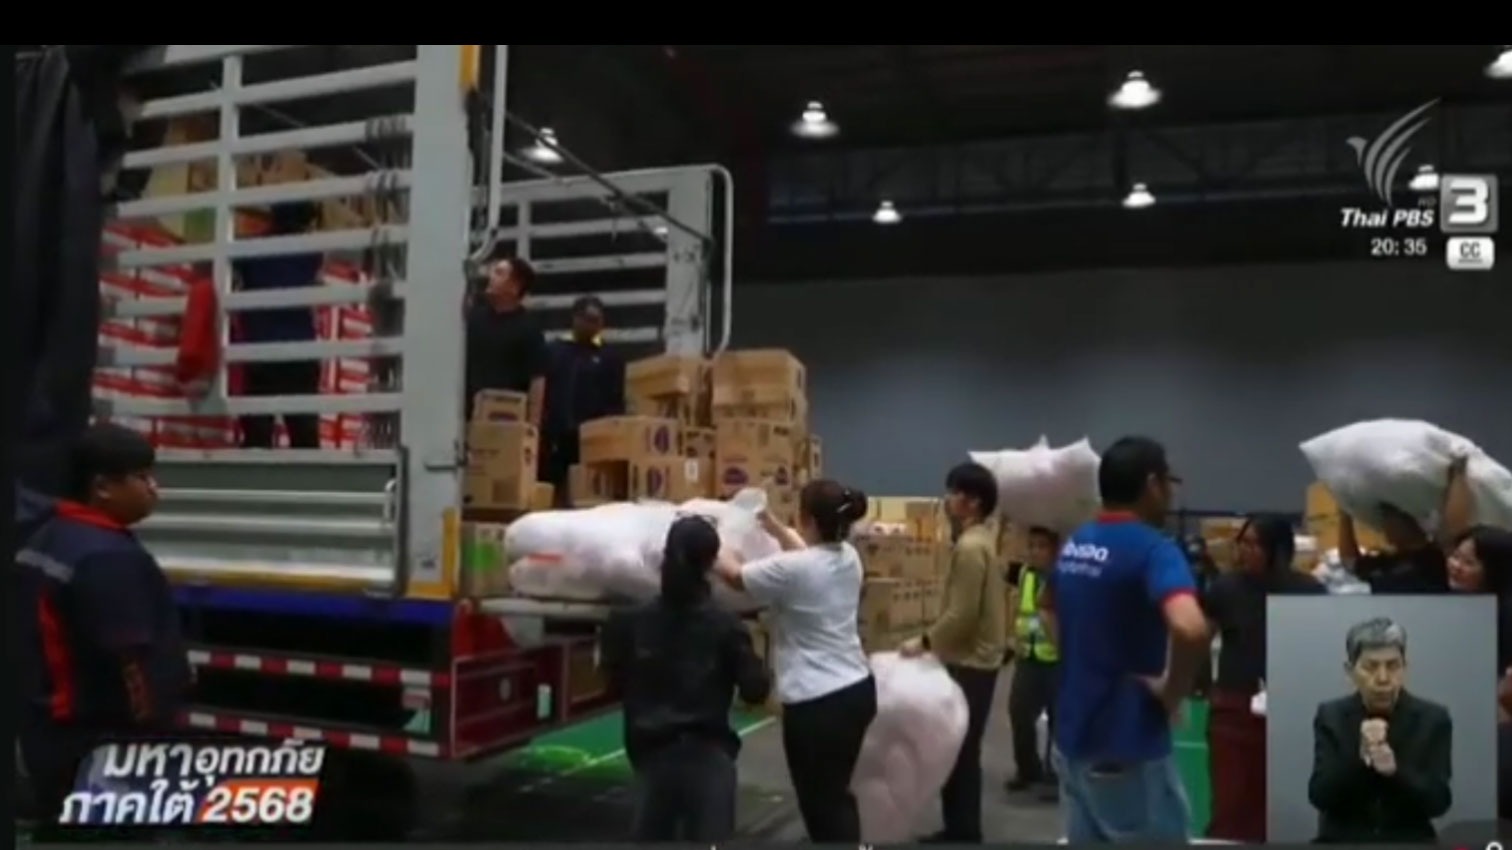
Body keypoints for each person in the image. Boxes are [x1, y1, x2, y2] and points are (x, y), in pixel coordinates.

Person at [13, 423, 193, 831]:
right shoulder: (107, 557)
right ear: (103, 487)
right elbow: (131, 665)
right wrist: (153, 738)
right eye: (142, 478)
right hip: (98, 743)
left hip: (48, 734)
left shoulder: (45, 538)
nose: (154, 490)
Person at [1038, 436, 1209, 843]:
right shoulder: (1154, 550)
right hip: (1127, 744)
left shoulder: (1078, 543)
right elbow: (1190, 627)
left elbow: (1046, 606)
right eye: (1169, 481)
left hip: (1073, 737)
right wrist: (1172, 691)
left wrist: (1080, 658)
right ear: (1152, 484)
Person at [712, 480, 876, 842]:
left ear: (807, 519)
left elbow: (735, 577)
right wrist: (771, 525)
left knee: (821, 803)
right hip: (857, 690)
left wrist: (716, 538)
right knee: (836, 793)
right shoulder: (848, 557)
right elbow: (803, 552)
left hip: (817, 703)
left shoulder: (794, 569)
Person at [598, 515, 771, 841]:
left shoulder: (628, 622)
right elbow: (755, 690)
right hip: (709, 758)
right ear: (710, 564)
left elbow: (612, 682)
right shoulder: (725, 625)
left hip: (651, 755)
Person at [898, 461, 1006, 841]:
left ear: (972, 501)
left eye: (954, 492)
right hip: (979, 658)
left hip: (970, 662)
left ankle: (962, 831)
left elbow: (962, 613)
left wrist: (924, 642)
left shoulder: (971, 547)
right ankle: (961, 827)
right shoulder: (982, 541)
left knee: (958, 749)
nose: (948, 499)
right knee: (962, 749)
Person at [1200, 514, 1325, 842]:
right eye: (1242, 543)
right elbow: (1201, 637)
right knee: (1232, 797)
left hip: (1289, 706)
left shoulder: (1309, 591)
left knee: (1283, 800)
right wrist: (1201, 684)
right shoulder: (1225, 588)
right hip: (1234, 705)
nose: (1245, 551)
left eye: (1254, 544)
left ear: (1278, 549)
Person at [1307, 617, 1452, 843]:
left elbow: (1439, 802)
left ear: (1405, 668)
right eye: (1370, 667)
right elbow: (1319, 795)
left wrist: (1396, 771)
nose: (1383, 678)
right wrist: (1360, 757)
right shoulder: (1331, 716)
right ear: (1350, 671)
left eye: (1393, 666)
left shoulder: (1432, 719)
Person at [234, 201, 324, 449]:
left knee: (257, 433)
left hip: (261, 349)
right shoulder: (311, 253)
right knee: (304, 434)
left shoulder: (250, 250)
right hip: (300, 352)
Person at [1339, 456, 1474, 594]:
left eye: (1391, 516)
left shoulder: (1435, 558)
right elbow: (1350, 562)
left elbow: (1454, 531)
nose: (1386, 525)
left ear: (1412, 519)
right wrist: (1345, 511)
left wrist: (1458, 473)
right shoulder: (1383, 563)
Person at [542, 296, 624, 503]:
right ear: (575, 319)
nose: (592, 325)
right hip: (557, 435)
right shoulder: (555, 351)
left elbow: (616, 398)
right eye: (588, 319)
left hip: (592, 437)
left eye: (597, 320)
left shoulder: (609, 356)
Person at [1005, 525, 1061, 802]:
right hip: (1027, 656)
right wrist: (1010, 640)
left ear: (1055, 550)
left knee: (1058, 720)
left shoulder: (1063, 578)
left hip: (1056, 659)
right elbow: (1017, 608)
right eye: (1032, 546)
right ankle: (1028, 769)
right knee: (1018, 711)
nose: (1035, 552)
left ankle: (1055, 775)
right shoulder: (1025, 574)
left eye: (1042, 546)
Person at [465, 252, 548, 427]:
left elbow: (537, 381)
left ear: (515, 286)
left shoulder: (529, 329)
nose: (491, 277)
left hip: (508, 421)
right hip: (470, 418)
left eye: (499, 273)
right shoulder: (474, 318)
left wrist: (532, 427)